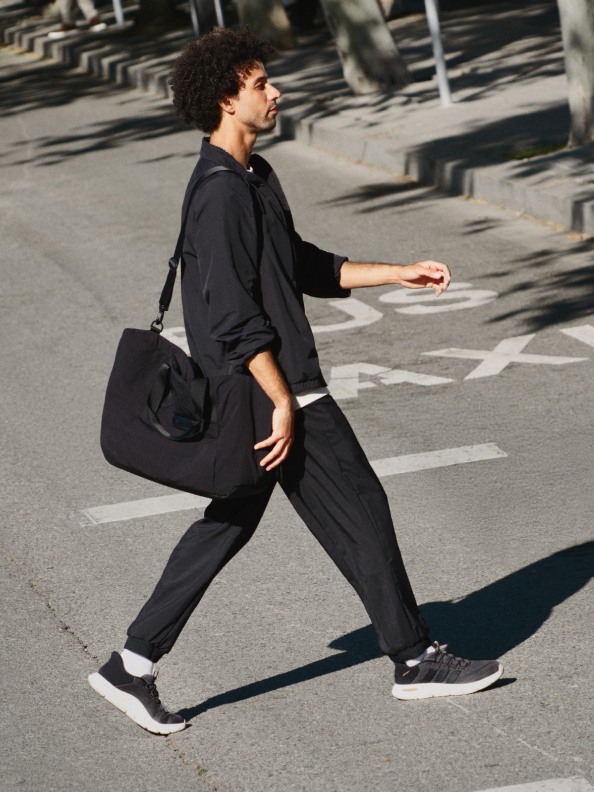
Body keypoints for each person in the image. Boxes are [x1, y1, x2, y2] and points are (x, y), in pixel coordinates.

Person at [88, 27, 503, 735]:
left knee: (227, 524)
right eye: (259, 84)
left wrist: (396, 271)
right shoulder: (219, 193)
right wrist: (283, 399)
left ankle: (131, 665)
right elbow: (230, 314)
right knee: (363, 509)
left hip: (269, 390)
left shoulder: (254, 176)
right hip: (271, 391)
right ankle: (413, 658)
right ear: (227, 99)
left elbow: (302, 266)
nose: (274, 91)